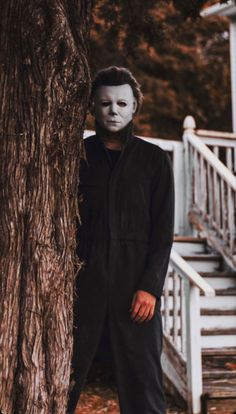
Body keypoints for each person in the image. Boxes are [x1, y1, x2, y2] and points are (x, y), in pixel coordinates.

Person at [67, 66, 174, 414]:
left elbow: (162, 232)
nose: (114, 110)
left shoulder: (154, 160)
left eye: (122, 103)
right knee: (64, 377)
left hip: (135, 292)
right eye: (105, 103)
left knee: (144, 382)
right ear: (93, 108)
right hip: (84, 287)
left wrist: (150, 287)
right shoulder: (76, 158)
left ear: (134, 108)